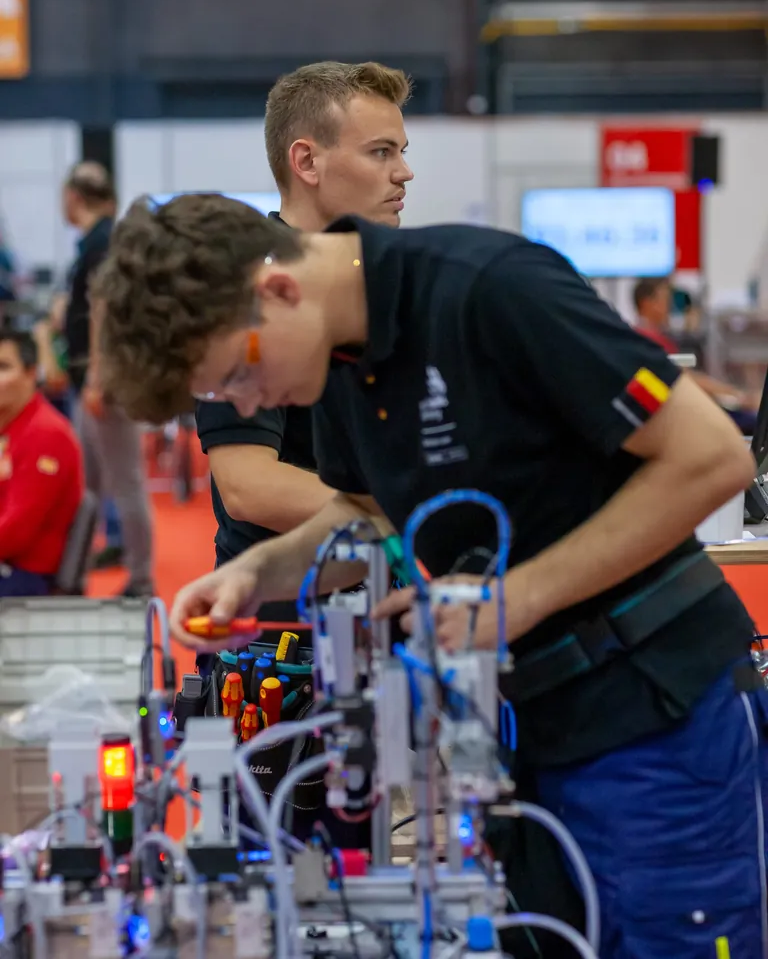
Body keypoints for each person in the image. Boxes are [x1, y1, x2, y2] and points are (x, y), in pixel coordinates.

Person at [94, 196, 760, 959]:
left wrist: (518, 600)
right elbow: (367, 513)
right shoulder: (339, 364)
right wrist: (257, 570)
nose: (247, 403)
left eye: (238, 374)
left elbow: (713, 457)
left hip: (659, 714)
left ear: (277, 289)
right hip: (528, 729)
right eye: (221, 398)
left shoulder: (492, 291)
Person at [196, 61, 413, 637]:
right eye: (381, 152)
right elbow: (248, 486)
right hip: (282, 627)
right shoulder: (249, 295)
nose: (404, 173)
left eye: (401, 152)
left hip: (392, 602)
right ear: (307, 162)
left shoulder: (386, 281)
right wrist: (409, 514)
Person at [61, 161, 153, 597]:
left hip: (106, 383)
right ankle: (74, 575)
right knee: (90, 485)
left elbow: (104, 312)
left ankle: (141, 578)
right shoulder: (99, 242)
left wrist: (98, 378)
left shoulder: (102, 243)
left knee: (125, 482)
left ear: (73, 197)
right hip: (96, 380)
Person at [0, 329, 83, 596]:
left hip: (26, 577)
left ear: (31, 373)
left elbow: (16, 533)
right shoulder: (11, 425)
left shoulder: (45, 434)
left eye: (3, 367)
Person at [634, 277, 761, 431]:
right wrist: (737, 396)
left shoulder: (651, 338)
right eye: (665, 300)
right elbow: (685, 378)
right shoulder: (648, 341)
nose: (669, 307)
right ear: (647, 303)